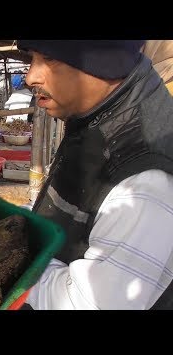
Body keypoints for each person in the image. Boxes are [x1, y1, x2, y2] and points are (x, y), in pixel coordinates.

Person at [17, 40, 173, 310]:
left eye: (50, 58)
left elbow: (92, 303)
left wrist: (13, 256)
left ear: (103, 62)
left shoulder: (144, 176)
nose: (31, 77)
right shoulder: (98, 122)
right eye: (32, 58)